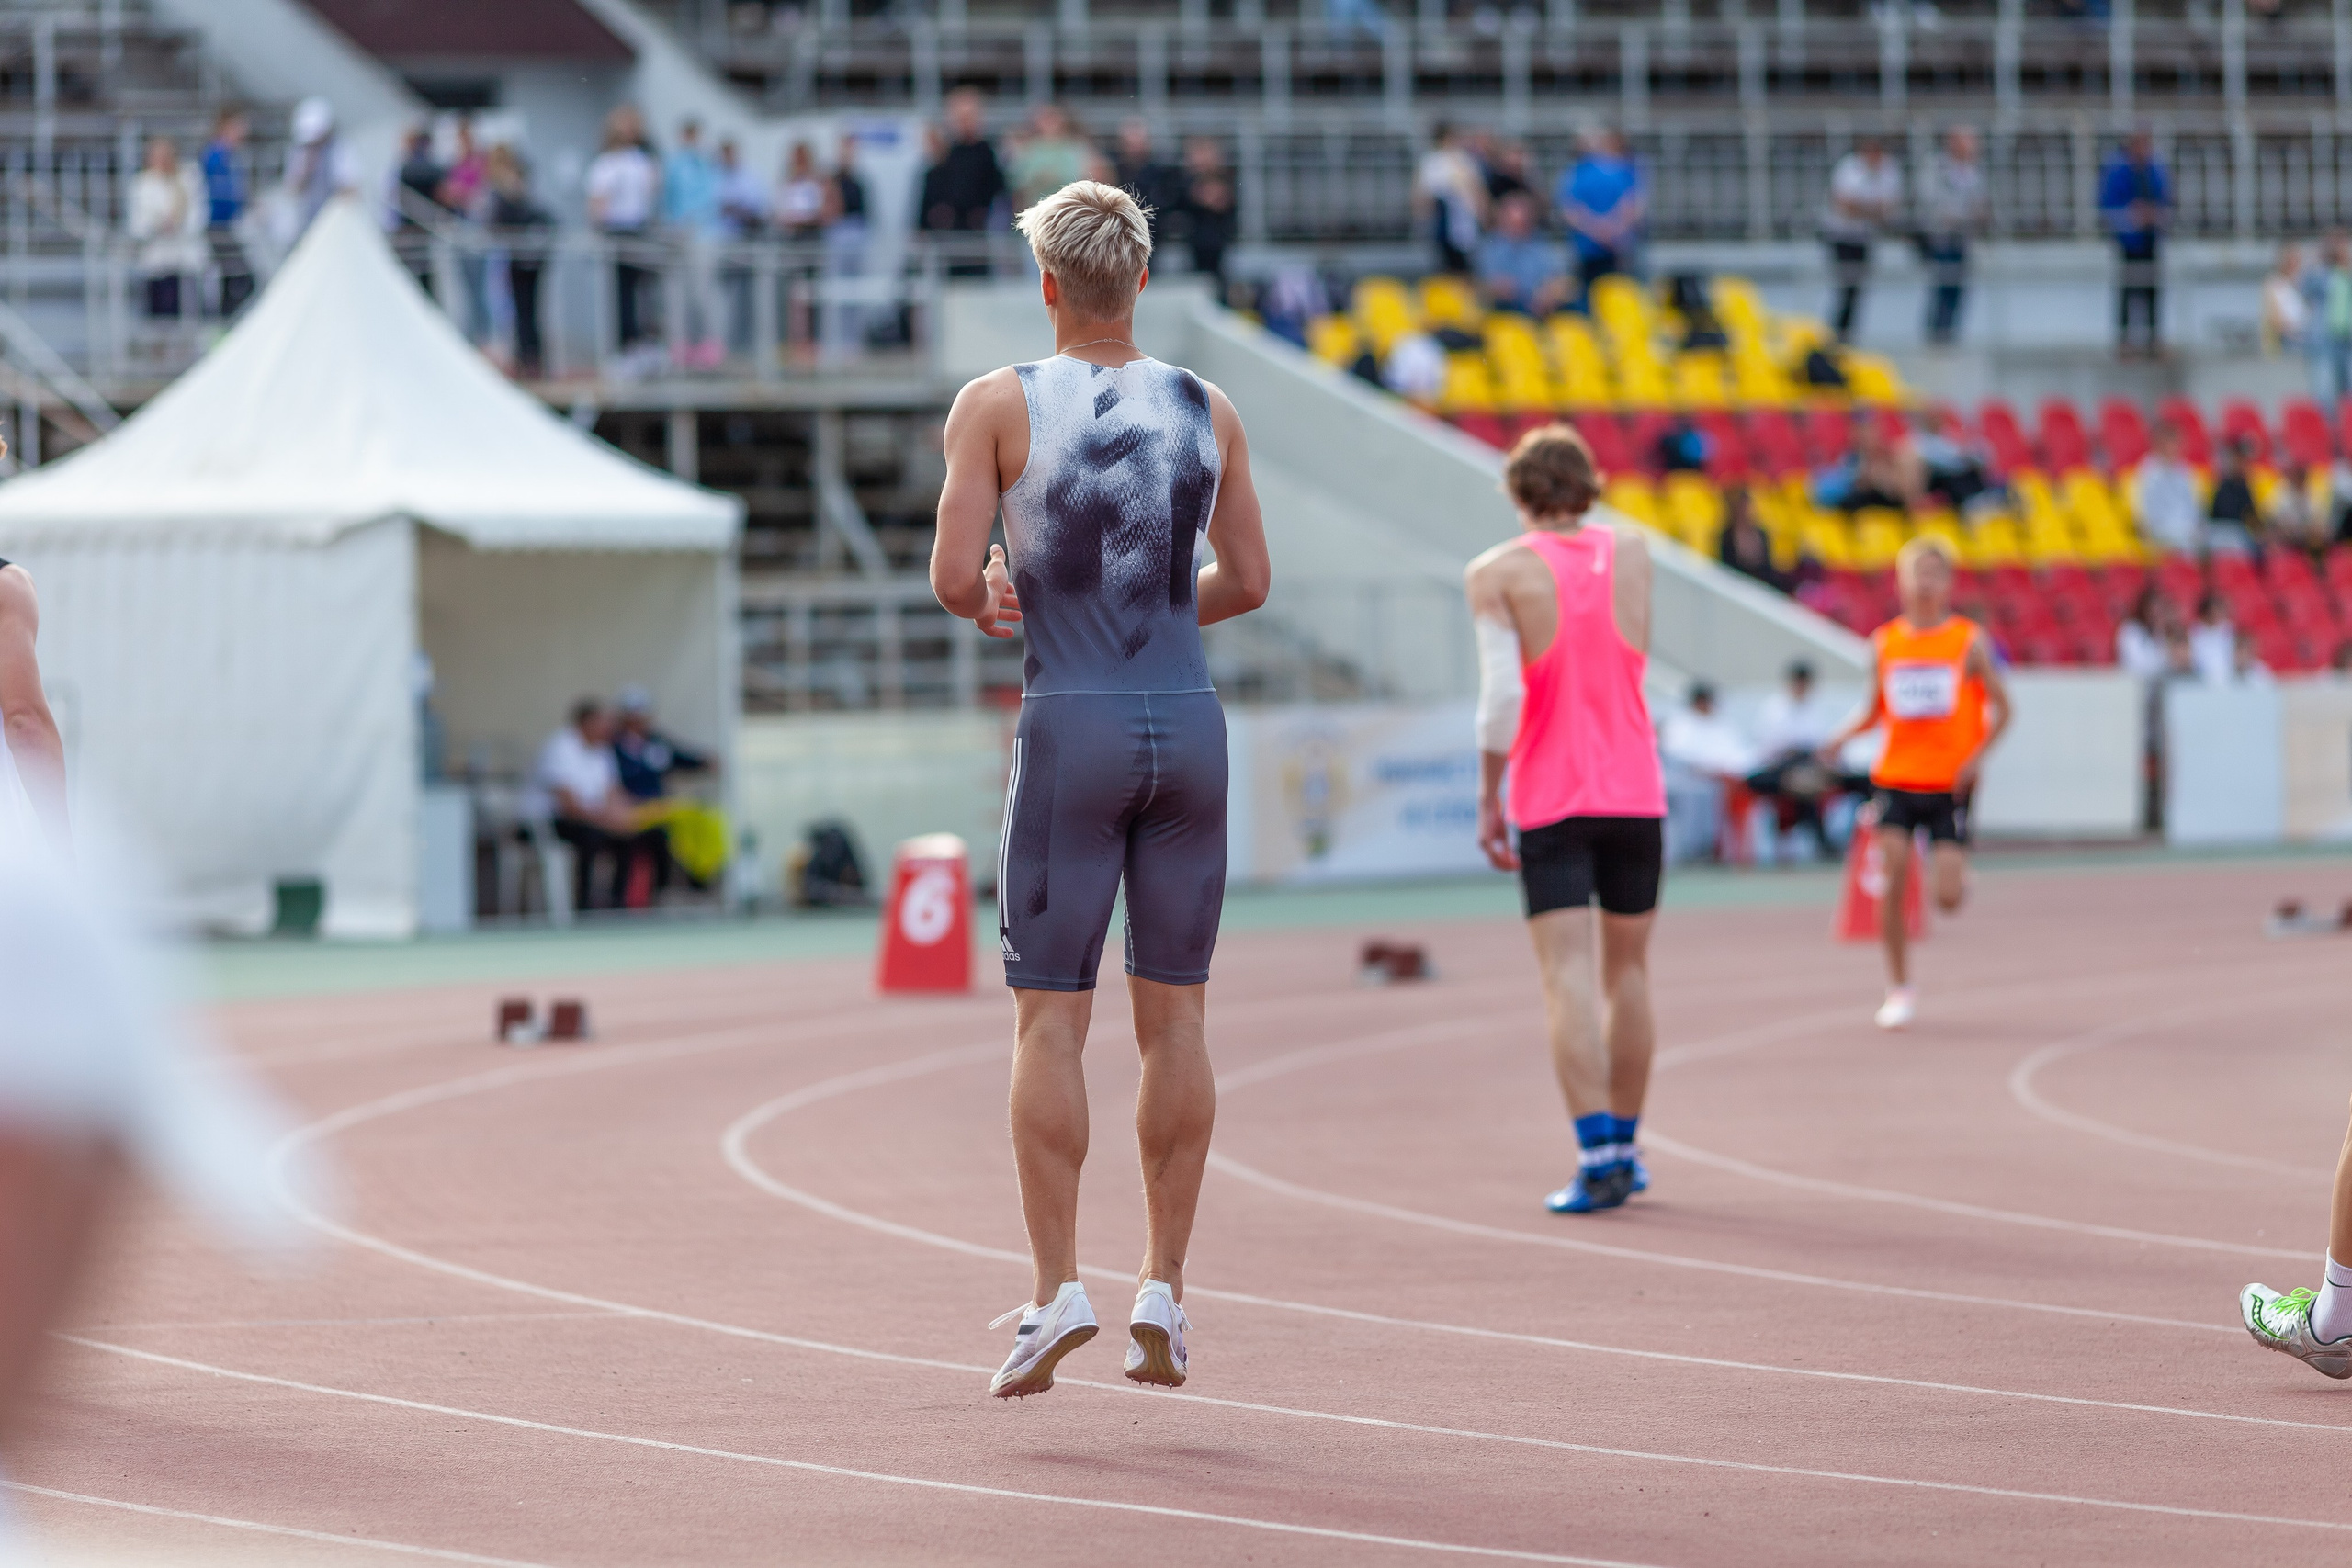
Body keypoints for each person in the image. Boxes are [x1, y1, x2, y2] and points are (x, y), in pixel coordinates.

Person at [930, 179, 1270, 1399]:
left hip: (1069, 723)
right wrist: (1163, 606)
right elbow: (1252, 579)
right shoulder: (1207, 404)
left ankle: (1054, 1284)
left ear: (1047, 284)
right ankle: (1165, 1290)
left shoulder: (996, 404)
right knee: (1175, 1018)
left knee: (1048, 1017)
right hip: (1187, 723)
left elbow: (951, 576)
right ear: (1140, 282)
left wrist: (991, 594)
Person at [1464, 424, 1666, 1215]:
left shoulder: (1498, 571)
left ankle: (1597, 1152)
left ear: (1517, 493)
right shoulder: (1636, 553)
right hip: (1635, 790)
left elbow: (1501, 699)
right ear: (1589, 483)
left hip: (1552, 795)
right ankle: (1627, 1142)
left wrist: (1489, 794)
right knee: (1631, 971)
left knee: (1567, 977)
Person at [1816, 536, 2011, 1031]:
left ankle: (1955, 870)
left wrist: (1976, 758)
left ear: (1948, 583)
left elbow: (2003, 709)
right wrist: (1840, 739)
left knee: (1946, 899)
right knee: (1894, 876)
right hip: (1896, 780)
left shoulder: (1967, 642)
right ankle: (1898, 986)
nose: (1924, 582)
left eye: (1934, 573)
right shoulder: (1885, 643)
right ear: (1902, 582)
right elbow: (1873, 710)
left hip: (1947, 785)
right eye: (1916, 573)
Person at [530, 700, 669, 913]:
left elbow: (613, 793)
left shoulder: (602, 750)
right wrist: (609, 821)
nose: (609, 728)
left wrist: (628, 818)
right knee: (591, 837)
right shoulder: (560, 747)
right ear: (586, 723)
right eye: (604, 722)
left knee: (630, 836)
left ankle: (619, 905)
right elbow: (569, 806)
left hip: (592, 818)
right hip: (550, 823)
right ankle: (583, 906)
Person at [585, 105, 661, 356]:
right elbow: (599, 202)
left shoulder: (633, 161)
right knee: (626, 292)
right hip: (622, 230)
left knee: (637, 290)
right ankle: (628, 342)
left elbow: (649, 191)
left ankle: (639, 340)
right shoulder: (612, 163)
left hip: (632, 228)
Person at [2099, 129, 2171, 358]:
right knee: (2127, 289)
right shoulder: (2118, 170)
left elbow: (2166, 201)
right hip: (2128, 241)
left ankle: (2152, 338)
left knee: (2152, 289)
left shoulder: (2155, 169)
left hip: (2150, 238)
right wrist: (2132, 217)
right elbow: (2108, 207)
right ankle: (2125, 339)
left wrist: (2153, 215)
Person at [1822, 138, 1902, 344]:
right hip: (1842, 236)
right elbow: (1843, 206)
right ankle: (1838, 335)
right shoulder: (1849, 169)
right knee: (1846, 287)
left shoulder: (1888, 169)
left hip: (1864, 237)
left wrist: (1862, 209)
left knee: (1857, 290)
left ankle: (1846, 336)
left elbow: (1888, 208)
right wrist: (1871, 210)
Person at [921, 88, 1007, 275]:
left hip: (979, 232)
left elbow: (997, 190)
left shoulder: (987, 153)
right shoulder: (944, 156)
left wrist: (982, 213)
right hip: (947, 234)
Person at [484, 144, 550, 378]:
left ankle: (530, 358)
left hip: (523, 260)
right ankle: (519, 356)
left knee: (526, 311)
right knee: (510, 310)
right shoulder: (501, 197)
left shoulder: (522, 200)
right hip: (509, 259)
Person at [662, 118, 724, 369]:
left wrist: (692, 223)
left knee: (703, 294)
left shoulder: (705, 165)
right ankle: (680, 345)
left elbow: (710, 201)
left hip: (701, 237)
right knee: (677, 295)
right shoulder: (675, 164)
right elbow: (668, 199)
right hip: (677, 237)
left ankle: (711, 344)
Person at [1558, 127, 1644, 302]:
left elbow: (1571, 210)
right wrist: (1612, 231)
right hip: (1610, 245)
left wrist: (1596, 230)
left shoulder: (1576, 173)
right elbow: (1631, 207)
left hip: (1597, 245)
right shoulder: (1622, 170)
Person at [1918, 126, 1985, 346]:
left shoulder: (1972, 171)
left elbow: (1979, 202)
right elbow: (1931, 201)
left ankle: (1949, 335)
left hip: (1962, 238)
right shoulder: (1936, 166)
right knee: (1942, 286)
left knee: (1959, 289)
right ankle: (1936, 335)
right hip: (1941, 237)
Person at [129, 136, 204, 321]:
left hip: (183, 259)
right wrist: (159, 225)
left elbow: (198, 213)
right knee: (159, 318)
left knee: (185, 315)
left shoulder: (187, 178)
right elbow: (137, 224)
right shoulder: (143, 184)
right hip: (156, 260)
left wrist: (178, 224)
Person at [821, 134, 873, 363]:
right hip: (839, 236)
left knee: (854, 292)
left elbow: (866, 214)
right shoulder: (833, 179)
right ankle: (835, 341)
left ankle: (853, 342)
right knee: (835, 291)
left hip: (856, 236)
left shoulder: (859, 180)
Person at [1476, 192, 1570, 316]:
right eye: (1513, 223)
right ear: (1501, 221)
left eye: (1523, 223)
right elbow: (1485, 285)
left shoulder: (1543, 245)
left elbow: (1561, 277)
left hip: (1544, 308)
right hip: (1507, 311)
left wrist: (1550, 291)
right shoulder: (1489, 249)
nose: (1519, 228)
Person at [198, 107, 254, 316]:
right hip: (217, 226)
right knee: (242, 278)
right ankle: (223, 322)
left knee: (232, 279)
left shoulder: (229, 157)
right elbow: (218, 194)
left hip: (225, 226)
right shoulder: (215, 156)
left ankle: (223, 322)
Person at [611, 686, 711, 802]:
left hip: (658, 802)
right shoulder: (613, 745)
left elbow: (677, 757)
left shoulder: (656, 741)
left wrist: (703, 763)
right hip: (628, 806)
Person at [281, 96, 358, 241]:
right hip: (306, 223)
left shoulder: (340, 150)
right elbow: (292, 190)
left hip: (334, 225)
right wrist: (307, 170)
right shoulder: (299, 153)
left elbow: (351, 188)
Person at [1415, 122, 1487, 276]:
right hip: (1446, 222)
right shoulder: (1433, 162)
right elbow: (1425, 196)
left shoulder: (1465, 159)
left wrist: (1482, 213)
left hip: (1466, 220)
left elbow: (1477, 190)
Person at [1111, 118, 1182, 257]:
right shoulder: (1114, 169)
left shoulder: (1161, 171)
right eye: (1129, 143)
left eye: (1138, 141)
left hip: (1154, 232)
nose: (1134, 147)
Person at [2130, 422, 2202, 554]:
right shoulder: (2147, 471)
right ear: (2159, 445)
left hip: (2186, 529)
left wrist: (2196, 527)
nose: (2174, 448)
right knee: (2185, 544)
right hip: (2159, 531)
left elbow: (2194, 507)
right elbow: (2141, 511)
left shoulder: (2185, 470)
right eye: (2170, 443)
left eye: (2176, 443)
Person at [1009, 103, 1095, 213]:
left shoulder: (1076, 147)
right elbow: (1017, 180)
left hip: (1067, 209)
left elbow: (1082, 177)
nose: (1049, 123)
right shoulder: (1029, 148)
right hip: (1034, 208)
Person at [1178, 138, 1236, 296]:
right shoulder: (1186, 182)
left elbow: (1226, 204)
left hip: (1217, 244)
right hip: (1195, 244)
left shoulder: (1225, 179)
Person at [1716, 488, 1789, 592]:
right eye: (1742, 506)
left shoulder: (1762, 534)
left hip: (1762, 588)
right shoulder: (1726, 536)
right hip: (1737, 589)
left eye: (1748, 506)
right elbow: (1726, 570)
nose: (1746, 510)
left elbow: (1768, 568)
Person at [2205, 440, 2261, 553]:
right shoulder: (2223, 487)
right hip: (2224, 533)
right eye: (2238, 460)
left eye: (2244, 461)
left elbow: (2253, 518)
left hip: (2240, 535)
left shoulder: (2247, 487)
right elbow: (2225, 516)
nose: (2242, 465)